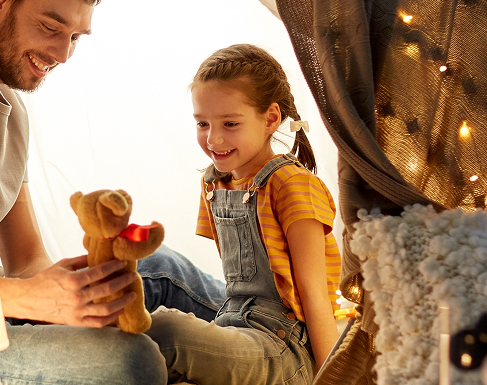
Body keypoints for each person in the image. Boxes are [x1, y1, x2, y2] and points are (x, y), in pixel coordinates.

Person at [0, 0, 225, 385]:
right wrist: (26, 299)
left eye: (75, 37)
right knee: (136, 362)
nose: (62, 55)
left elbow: (25, 257)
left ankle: (280, 334)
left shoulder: (13, 110)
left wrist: (72, 289)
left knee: (162, 269)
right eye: (51, 27)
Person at [145, 44, 342, 384]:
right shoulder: (214, 183)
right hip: (234, 322)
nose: (214, 138)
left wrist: (334, 380)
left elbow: (314, 294)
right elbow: (238, 289)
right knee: (152, 264)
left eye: (230, 123)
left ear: (270, 119)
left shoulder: (293, 186)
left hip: (285, 347)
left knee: (165, 329)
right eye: (202, 123)